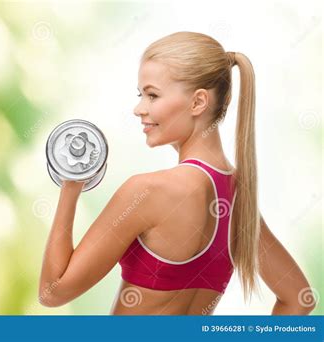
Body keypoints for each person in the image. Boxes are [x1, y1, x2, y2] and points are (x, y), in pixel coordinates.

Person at [38, 31, 315, 315]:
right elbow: (300, 298)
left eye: (152, 95)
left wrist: (70, 184)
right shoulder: (239, 200)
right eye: (140, 95)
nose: (138, 109)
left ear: (197, 103)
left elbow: (53, 291)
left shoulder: (147, 192)